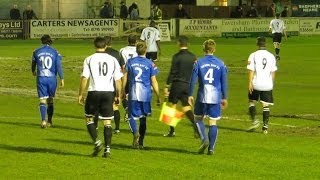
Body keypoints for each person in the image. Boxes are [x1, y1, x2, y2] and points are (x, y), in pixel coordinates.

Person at [78, 37, 123, 158]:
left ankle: (97, 142)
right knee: (107, 121)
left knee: (89, 118)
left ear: (94, 46)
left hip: (94, 92)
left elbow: (84, 78)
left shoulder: (89, 59)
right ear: (106, 46)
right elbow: (118, 80)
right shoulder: (113, 59)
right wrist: (118, 95)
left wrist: (80, 94)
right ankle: (107, 149)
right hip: (108, 93)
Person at [188, 39, 228, 155]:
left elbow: (193, 81)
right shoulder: (221, 63)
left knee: (198, 119)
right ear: (214, 50)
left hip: (202, 95)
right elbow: (224, 81)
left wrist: (190, 94)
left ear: (203, 49)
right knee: (213, 122)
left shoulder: (198, 62)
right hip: (216, 96)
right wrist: (224, 97)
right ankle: (211, 149)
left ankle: (204, 139)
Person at [122, 41, 160, 149]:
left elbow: (124, 77)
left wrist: (122, 91)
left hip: (133, 92)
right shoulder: (150, 63)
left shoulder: (130, 62)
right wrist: (158, 95)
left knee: (131, 116)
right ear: (146, 50)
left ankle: (135, 133)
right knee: (143, 118)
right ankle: (141, 142)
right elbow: (154, 81)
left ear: (136, 50)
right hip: (146, 94)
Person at [163, 36, 198, 138]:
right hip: (187, 85)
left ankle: (172, 131)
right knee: (186, 107)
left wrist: (167, 85)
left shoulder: (176, 56)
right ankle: (196, 127)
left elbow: (172, 72)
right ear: (188, 44)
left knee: (172, 107)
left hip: (176, 84)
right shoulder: (193, 56)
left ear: (178, 43)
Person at [92, 36, 124, 134]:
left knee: (97, 106)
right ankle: (117, 128)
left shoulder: (99, 54)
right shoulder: (117, 53)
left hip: (101, 83)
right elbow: (122, 68)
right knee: (115, 106)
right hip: (114, 82)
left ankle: (96, 126)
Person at [31, 35, 64, 128]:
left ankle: (43, 121)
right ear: (50, 41)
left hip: (41, 78)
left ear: (42, 42)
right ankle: (49, 121)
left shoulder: (36, 51)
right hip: (52, 79)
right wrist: (62, 78)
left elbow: (33, 63)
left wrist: (33, 71)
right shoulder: (55, 52)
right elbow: (58, 66)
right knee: (50, 100)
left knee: (42, 100)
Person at [246, 37, 277, 135]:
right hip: (267, 84)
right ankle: (265, 128)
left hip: (256, 83)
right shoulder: (271, 56)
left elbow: (251, 70)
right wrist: (270, 82)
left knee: (251, 102)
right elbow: (273, 71)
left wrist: (250, 82)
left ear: (257, 44)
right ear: (265, 44)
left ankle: (255, 121)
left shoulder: (253, 55)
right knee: (265, 105)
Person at [119, 34, 138, 121]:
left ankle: (127, 109)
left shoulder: (122, 50)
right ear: (136, 41)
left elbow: (120, 63)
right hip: (137, 75)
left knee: (124, 95)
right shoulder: (139, 49)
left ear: (128, 41)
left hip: (126, 74)